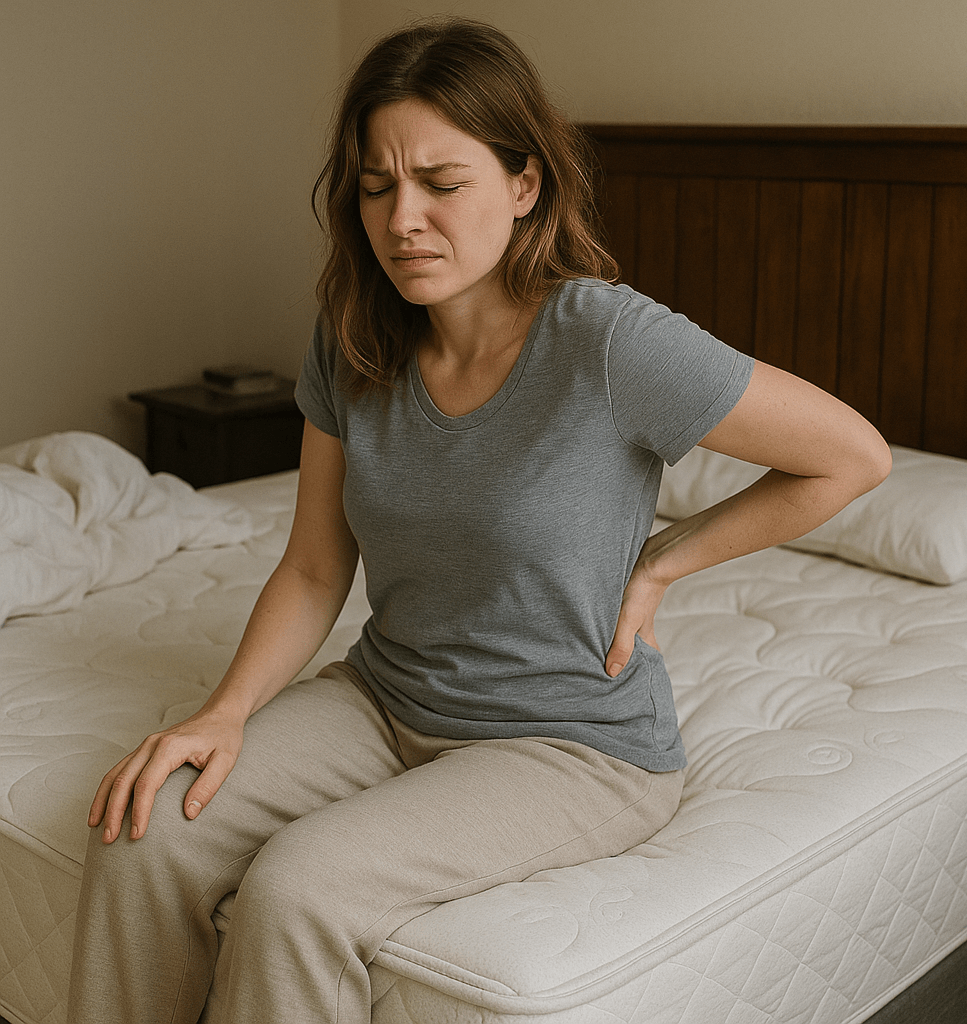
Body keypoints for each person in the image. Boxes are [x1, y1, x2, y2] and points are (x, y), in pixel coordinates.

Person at [67, 18, 891, 1024]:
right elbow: (315, 567)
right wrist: (225, 711)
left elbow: (853, 455)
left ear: (524, 185)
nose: (402, 217)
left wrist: (663, 561)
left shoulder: (607, 340)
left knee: (298, 888)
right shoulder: (352, 337)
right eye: (376, 185)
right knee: (141, 826)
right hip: (385, 697)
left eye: (440, 182)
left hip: (570, 744)